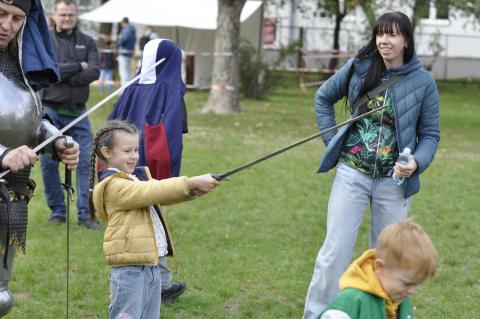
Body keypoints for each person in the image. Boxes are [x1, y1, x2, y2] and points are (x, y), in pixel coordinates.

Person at [303, 12, 440, 319]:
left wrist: (416, 162)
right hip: (352, 173)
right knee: (334, 253)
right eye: (380, 34)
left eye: (391, 35)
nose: (384, 40)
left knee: (390, 258)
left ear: (406, 40)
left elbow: (430, 134)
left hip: (394, 183)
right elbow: (323, 98)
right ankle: (316, 315)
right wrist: (333, 142)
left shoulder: (423, 82)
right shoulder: (360, 67)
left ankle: (384, 314)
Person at [89, 120, 219, 319]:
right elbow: (153, 190)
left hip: (151, 265)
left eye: (135, 149)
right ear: (107, 152)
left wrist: (192, 190)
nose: (134, 156)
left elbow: (160, 195)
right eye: (127, 151)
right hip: (129, 271)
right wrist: (190, 182)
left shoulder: (133, 179)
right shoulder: (113, 185)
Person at [0, 0, 80, 316]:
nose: (7, 24)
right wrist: (3, 153)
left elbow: (29, 118)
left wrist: (55, 140)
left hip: (9, 196)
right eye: (1, 14)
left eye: (17, 18)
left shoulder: (19, 66)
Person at [108, 38, 190, 302]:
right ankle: (158, 285)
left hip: (123, 167)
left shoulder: (131, 87)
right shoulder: (170, 89)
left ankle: (149, 282)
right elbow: (171, 137)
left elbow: (112, 123)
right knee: (153, 223)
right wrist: (169, 177)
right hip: (151, 170)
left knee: (134, 224)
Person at [40, 0, 100, 229]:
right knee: (48, 164)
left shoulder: (88, 41)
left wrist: (62, 73)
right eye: (63, 14)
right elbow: (48, 71)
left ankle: (85, 214)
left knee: (86, 162)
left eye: (71, 14)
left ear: (76, 16)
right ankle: (58, 212)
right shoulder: (44, 40)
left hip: (78, 113)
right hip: (50, 112)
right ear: (54, 15)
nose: (67, 18)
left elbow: (94, 71)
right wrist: (76, 66)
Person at [319, 219, 438, 319]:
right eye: (406, 283)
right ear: (379, 267)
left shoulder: (400, 301)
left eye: (416, 285)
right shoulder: (351, 302)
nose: (412, 290)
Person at [118, 17, 136, 86]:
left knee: (123, 72)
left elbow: (123, 40)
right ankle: (128, 88)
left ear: (123, 22)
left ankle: (123, 90)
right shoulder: (133, 30)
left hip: (123, 52)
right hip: (130, 52)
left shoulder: (125, 30)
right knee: (128, 72)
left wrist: (119, 43)